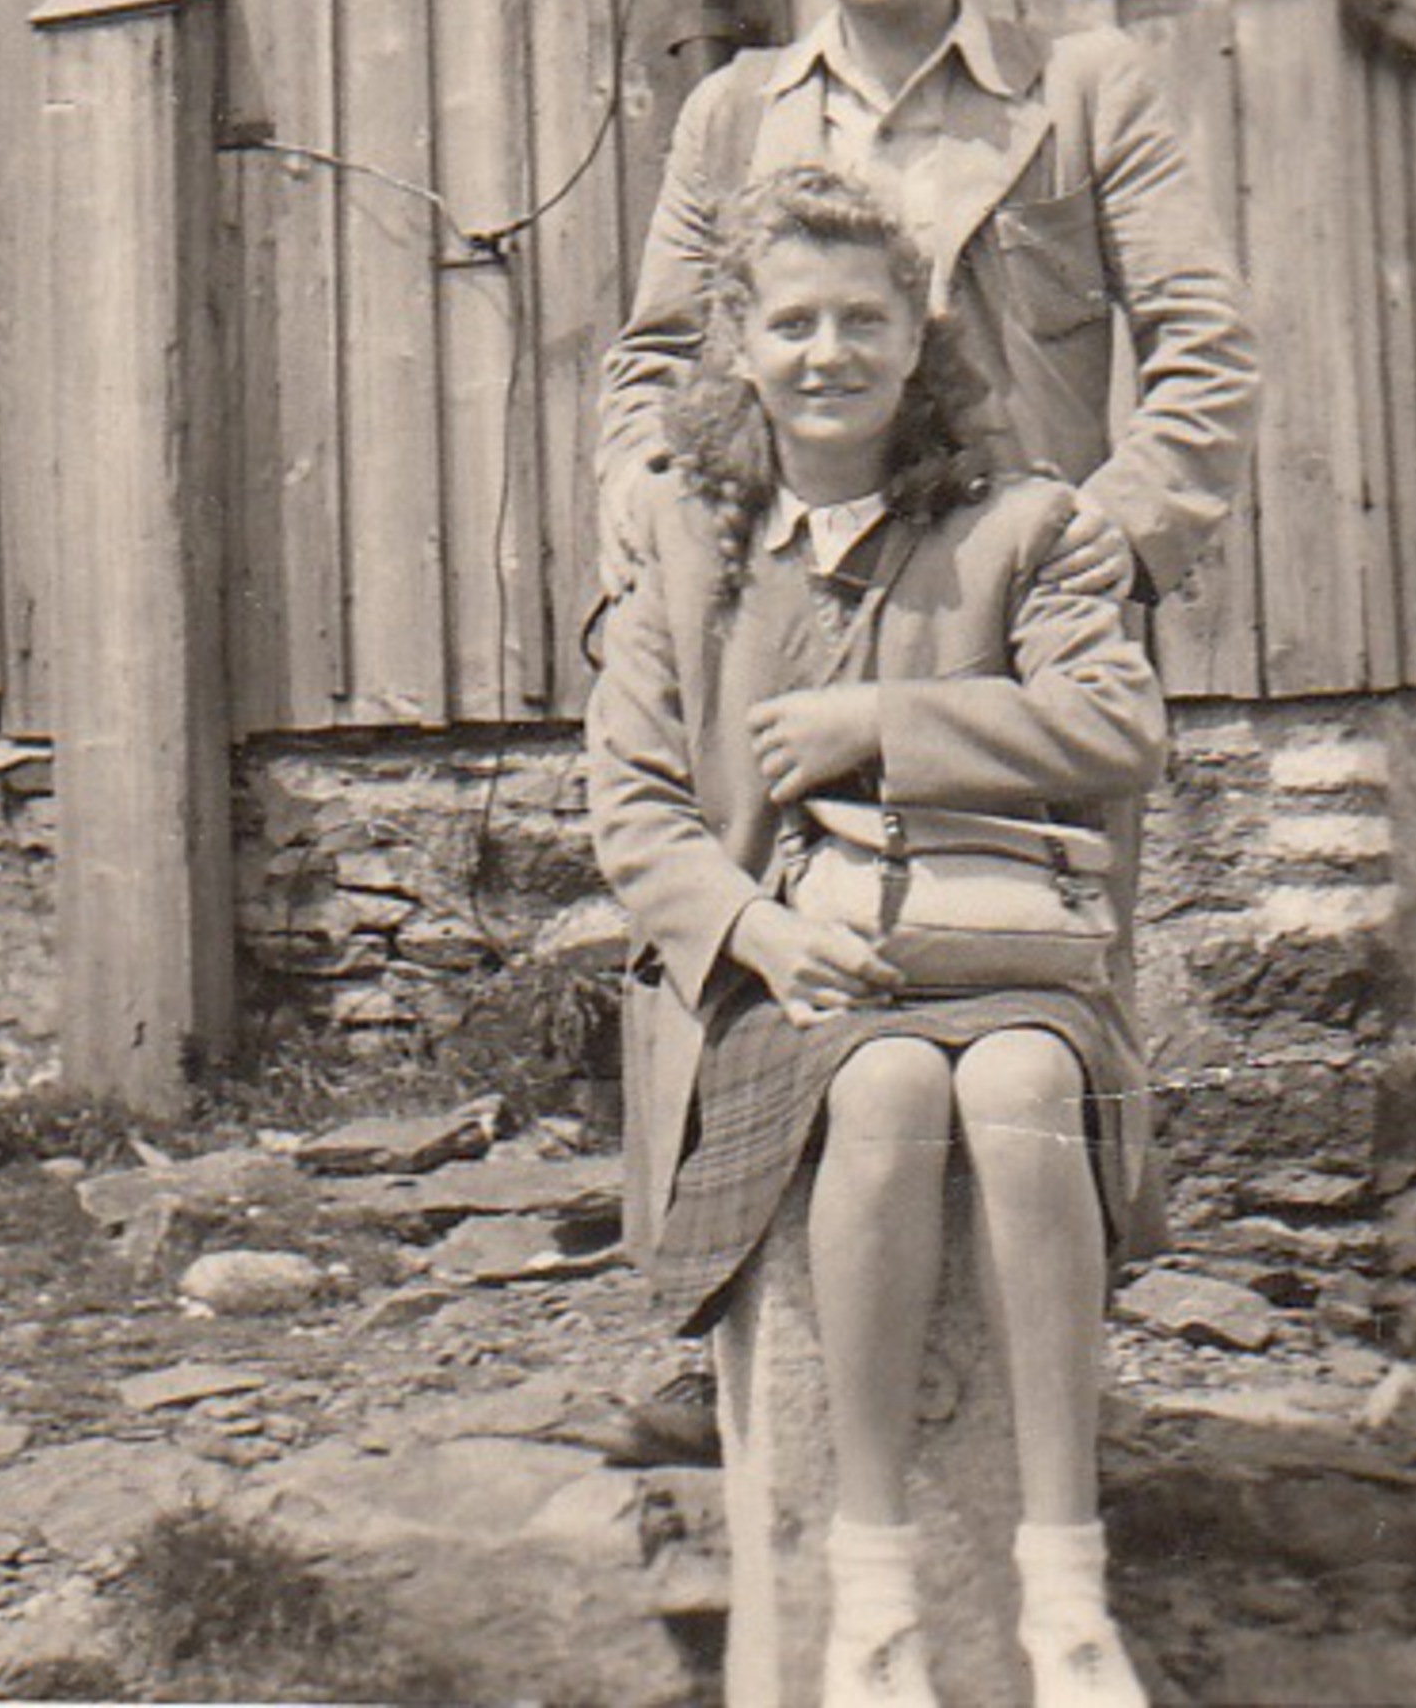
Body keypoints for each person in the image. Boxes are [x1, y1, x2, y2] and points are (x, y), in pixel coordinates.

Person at [589, 168, 1163, 1708]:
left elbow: (1118, 725)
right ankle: (873, 1593)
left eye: (864, 319)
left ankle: (1067, 1592)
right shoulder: (680, 540)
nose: (828, 353)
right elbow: (634, 810)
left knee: (1023, 1089)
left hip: (995, 954)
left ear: (922, 338)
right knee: (890, 1090)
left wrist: (882, 722)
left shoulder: (1025, 527)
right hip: (781, 978)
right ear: (738, 343)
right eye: (792, 323)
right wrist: (760, 935)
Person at [598, 0, 1258, 610]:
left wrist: (1121, 523)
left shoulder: (1082, 90)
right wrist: (645, 494)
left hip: (1026, 600)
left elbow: (1207, 343)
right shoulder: (733, 114)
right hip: (789, 604)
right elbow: (658, 357)